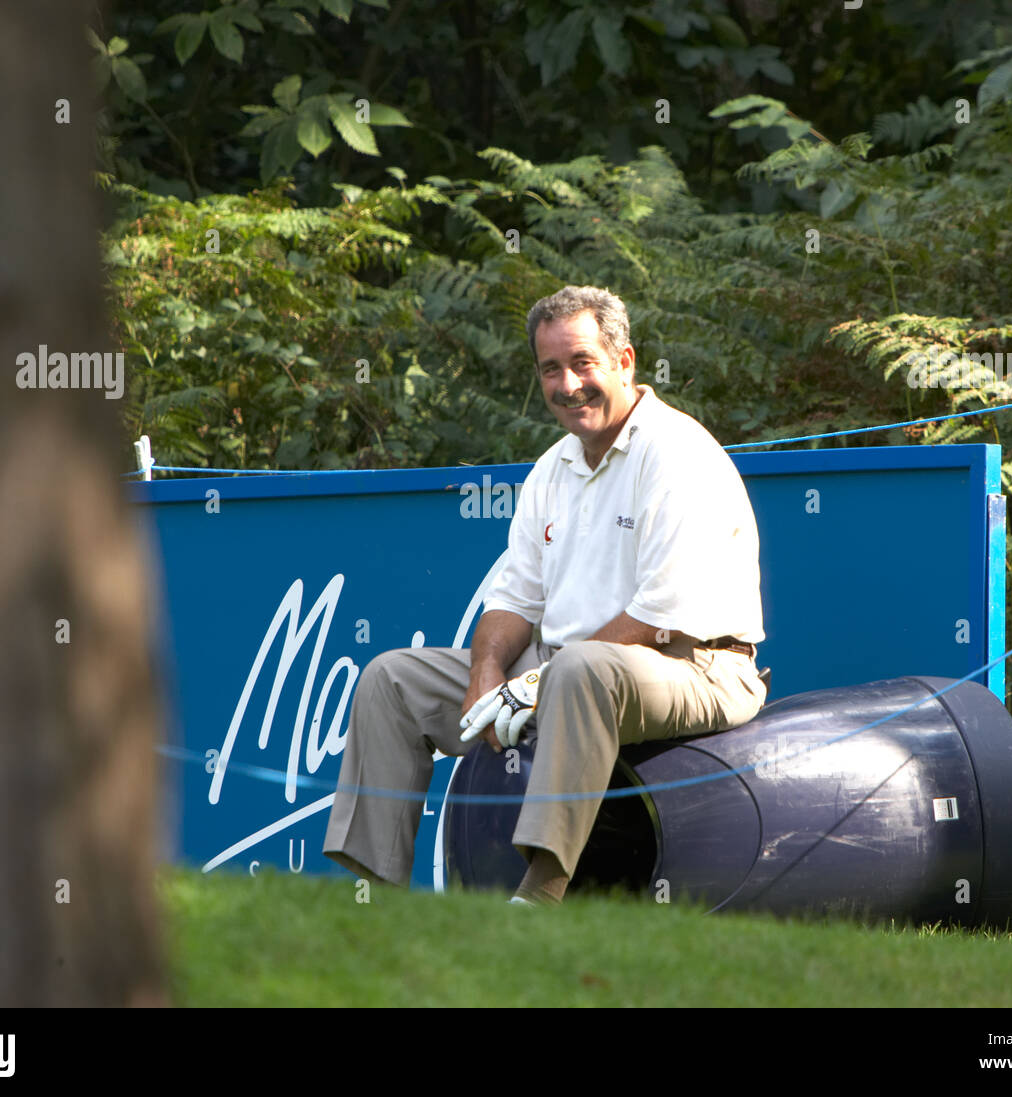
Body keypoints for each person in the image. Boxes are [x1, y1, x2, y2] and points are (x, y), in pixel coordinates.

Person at [323, 285, 766, 905]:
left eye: (582, 362)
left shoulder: (677, 453)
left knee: (579, 670)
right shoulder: (552, 468)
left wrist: (538, 682)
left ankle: (540, 895)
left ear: (625, 361)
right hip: (564, 672)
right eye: (550, 369)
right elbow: (512, 599)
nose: (567, 385)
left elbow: (663, 614)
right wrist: (487, 671)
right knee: (392, 679)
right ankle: (377, 899)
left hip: (701, 667)